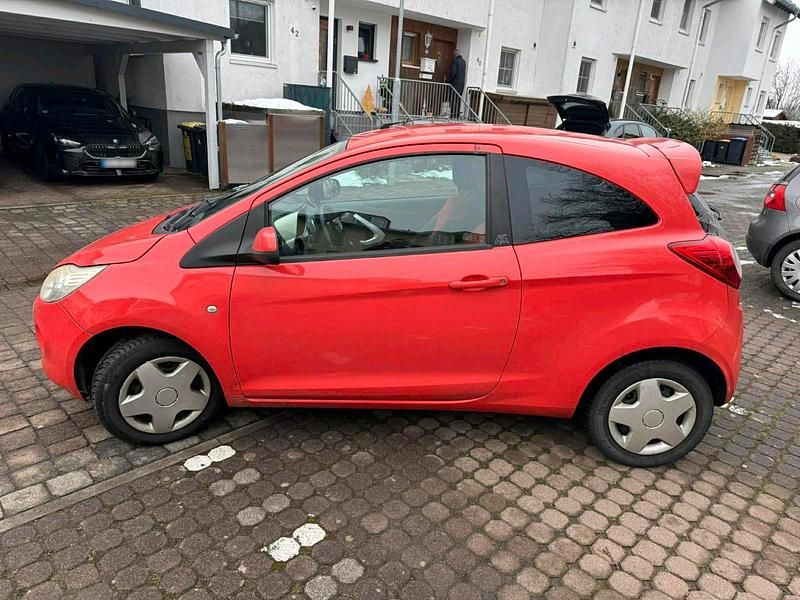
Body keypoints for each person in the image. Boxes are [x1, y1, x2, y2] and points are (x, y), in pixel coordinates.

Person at [446, 49, 466, 118]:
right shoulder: (463, 62)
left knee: (453, 100)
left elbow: (453, 73)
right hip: (461, 84)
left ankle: (453, 116)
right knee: (458, 100)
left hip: (455, 84)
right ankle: (457, 116)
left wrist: (448, 81)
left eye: (454, 54)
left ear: (455, 54)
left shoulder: (455, 61)